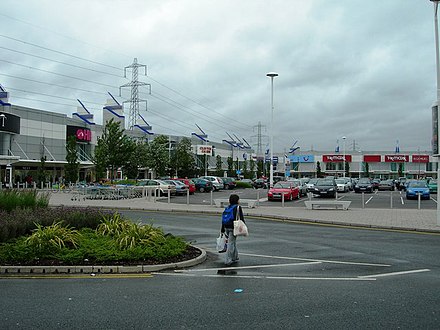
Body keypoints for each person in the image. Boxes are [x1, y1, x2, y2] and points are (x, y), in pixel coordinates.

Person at [221, 194, 245, 266]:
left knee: (232, 242)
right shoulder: (237, 207)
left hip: (226, 227)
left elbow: (223, 218)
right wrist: (243, 226)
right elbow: (241, 217)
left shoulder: (228, 207)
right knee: (231, 243)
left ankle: (235, 257)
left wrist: (222, 229)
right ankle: (228, 260)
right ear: (237, 200)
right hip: (233, 227)